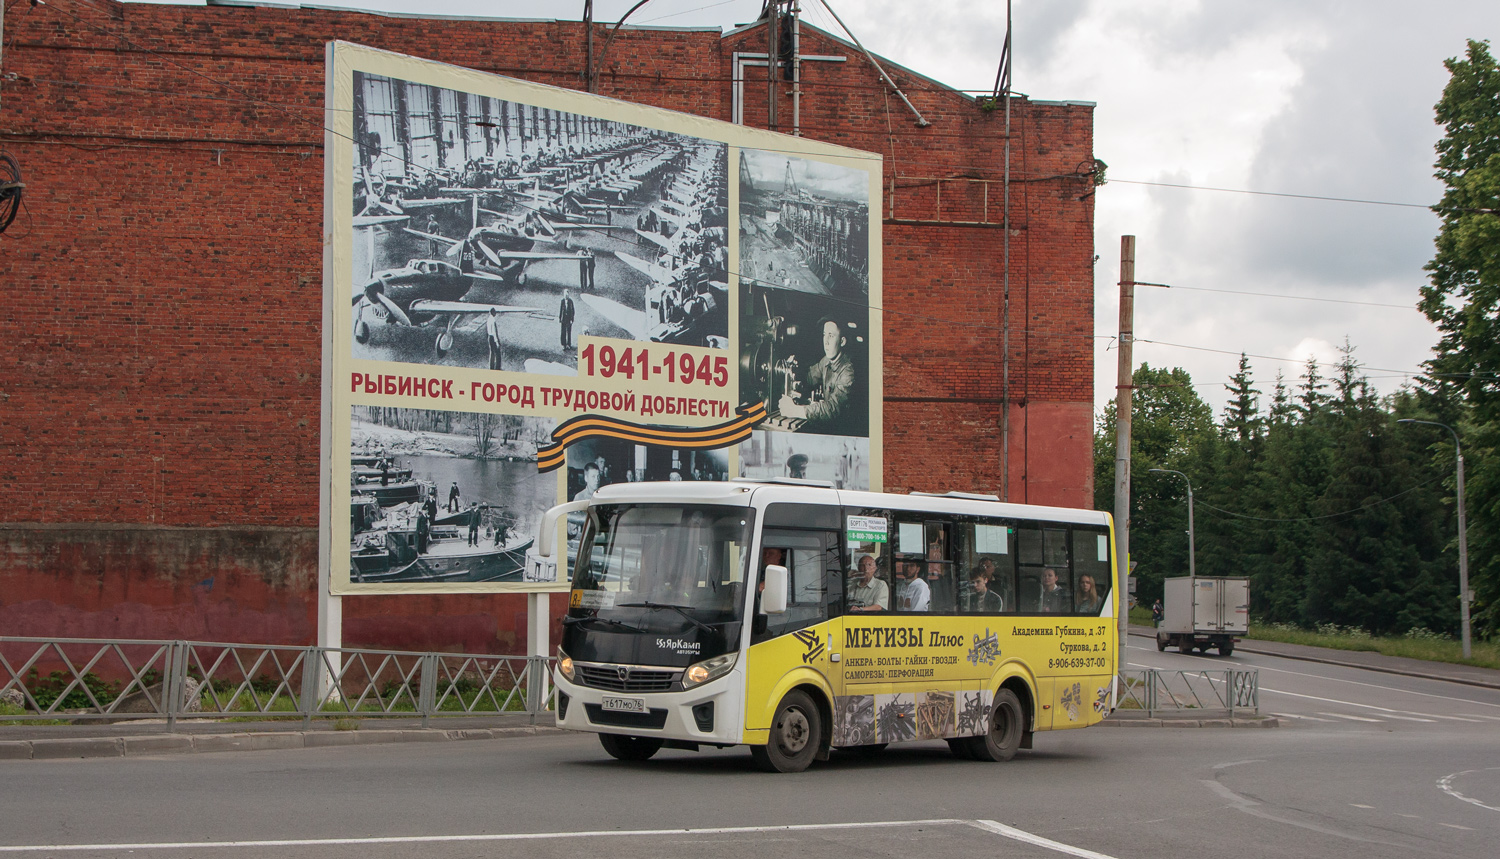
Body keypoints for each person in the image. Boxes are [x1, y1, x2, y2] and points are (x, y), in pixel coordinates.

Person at [778, 318, 854, 431]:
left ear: (842, 341)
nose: (826, 341)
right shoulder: (826, 361)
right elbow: (809, 377)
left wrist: (795, 410)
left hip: (843, 432)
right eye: (824, 335)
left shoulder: (848, 372)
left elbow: (833, 408)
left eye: (831, 336)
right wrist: (794, 369)